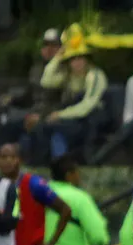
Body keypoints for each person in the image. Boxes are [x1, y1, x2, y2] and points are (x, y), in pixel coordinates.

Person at [40, 24, 109, 162]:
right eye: (73, 58)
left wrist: (59, 115)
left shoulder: (95, 75)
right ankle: (59, 163)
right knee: (47, 129)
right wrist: (58, 57)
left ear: (86, 58)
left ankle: (62, 164)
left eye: (80, 57)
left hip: (93, 120)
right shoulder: (68, 75)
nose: (77, 62)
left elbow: (87, 106)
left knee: (56, 127)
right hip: (75, 119)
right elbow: (46, 81)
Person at [0, 28, 64, 162]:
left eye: (54, 46)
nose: (49, 50)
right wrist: (12, 99)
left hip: (51, 116)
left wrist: (41, 116)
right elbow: (29, 96)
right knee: (7, 129)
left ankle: (34, 166)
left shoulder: (64, 70)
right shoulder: (37, 69)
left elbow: (63, 101)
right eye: (46, 46)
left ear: (61, 49)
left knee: (31, 132)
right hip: (33, 114)